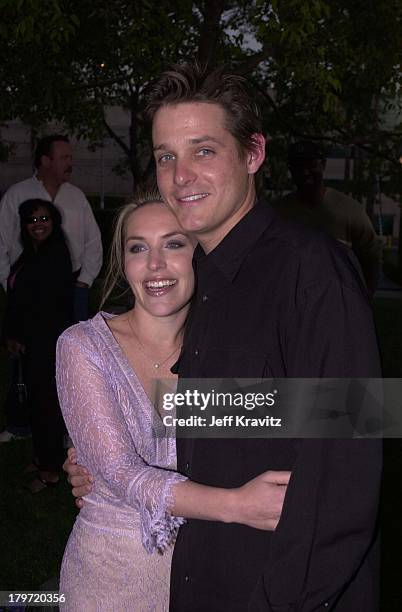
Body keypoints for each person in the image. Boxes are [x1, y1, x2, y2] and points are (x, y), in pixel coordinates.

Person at [66, 64, 382, 611]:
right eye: (167, 156)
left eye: (203, 151)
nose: (181, 175)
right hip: (198, 578)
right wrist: (111, 462)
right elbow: (252, 413)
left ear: (253, 154)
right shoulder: (203, 280)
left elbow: (350, 459)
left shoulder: (310, 270)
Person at [56, 193, 290, 611]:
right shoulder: (83, 345)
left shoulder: (217, 354)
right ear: (123, 264)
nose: (155, 264)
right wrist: (239, 505)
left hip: (203, 578)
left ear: (200, 255)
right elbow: (122, 473)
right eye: (138, 247)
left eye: (174, 243)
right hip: (108, 582)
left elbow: (326, 412)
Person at [2, 199, 73, 490]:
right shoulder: (32, 253)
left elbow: (43, 307)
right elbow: (18, 301)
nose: (38, 224)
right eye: (32, 220)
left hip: (47, 343)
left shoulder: (55, 255)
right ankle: (41, 455)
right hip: (33, 342)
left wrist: (22, 337)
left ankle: (51, 470)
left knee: (47, 406)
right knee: (36, 402)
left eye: (44, 218)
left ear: (54, 222)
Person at [0, 134, 102, 322]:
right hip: (29, 288)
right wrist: (10, 283)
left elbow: (93, 241)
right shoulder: (17, 195)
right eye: (64, 158)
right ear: (46, 161)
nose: (70, 163)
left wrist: (84, 281)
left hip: (72, 288)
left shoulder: (76, 196)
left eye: (70, 158)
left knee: (72, 346)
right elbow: (1, 242)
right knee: (33, 346)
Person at [273, 140, 382, 295]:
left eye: (311, 164)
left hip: (336, 305)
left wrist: (364, 298)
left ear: (322, 165)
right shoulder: (278, 213)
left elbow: (371, 257)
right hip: (291, 305)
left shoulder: (350, 211)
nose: (305, 172)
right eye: (298, 167)